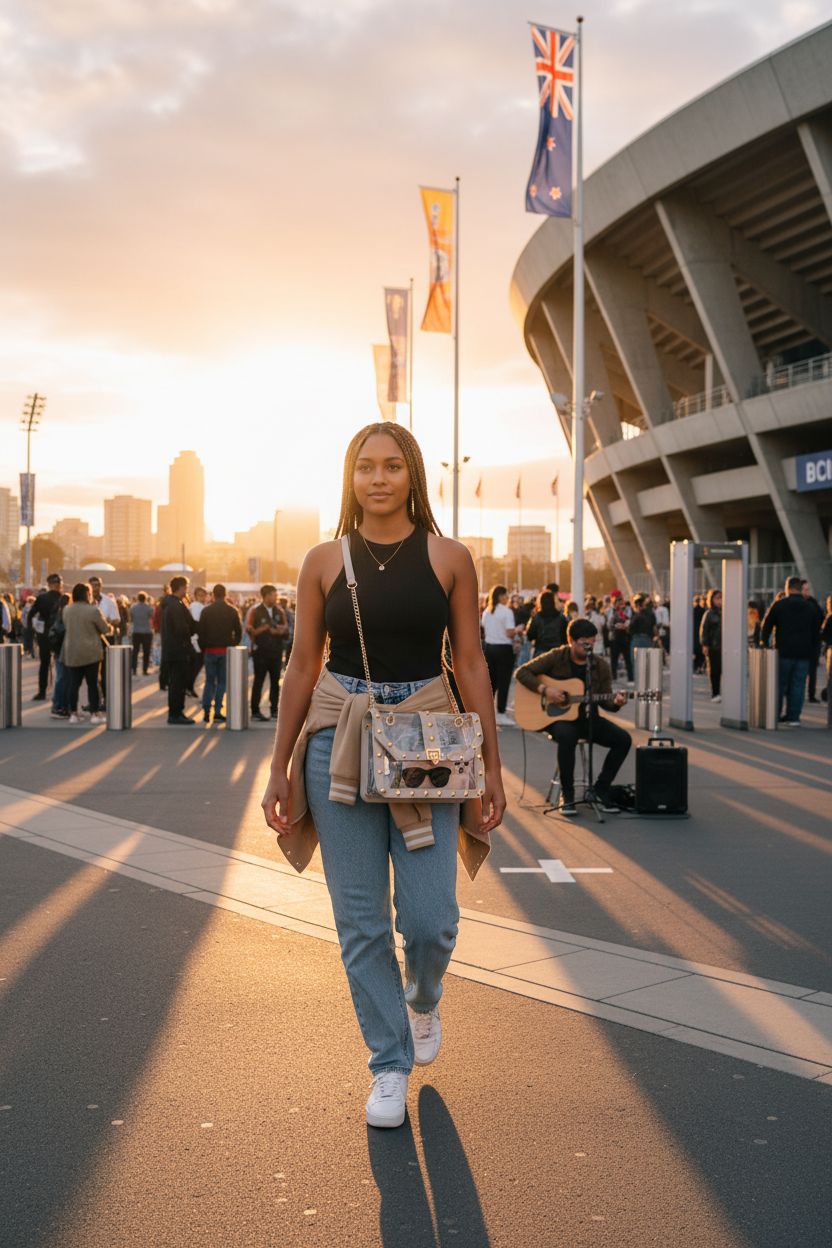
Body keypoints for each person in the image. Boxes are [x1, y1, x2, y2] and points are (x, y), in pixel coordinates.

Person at [260, 421, 505, 1131]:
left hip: (427, 736)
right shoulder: (322, 561)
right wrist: (278, 766)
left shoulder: (450, 557)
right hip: (337, 735)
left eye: (391, 466)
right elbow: (303, 664)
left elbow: (471, 661)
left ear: (412, 475)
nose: (377, 478)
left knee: (430, 922)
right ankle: (388, 1064)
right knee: (359, 922)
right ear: (349, 478)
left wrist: (491, 764)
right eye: (364, 467)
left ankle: (422, 997)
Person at [515, 617, 631, 816]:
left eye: (593, 642)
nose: (589, 647)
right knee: (568, 735)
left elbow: (605, 700)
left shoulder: (600, 666)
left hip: (588, 719)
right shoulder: (557, 657)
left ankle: (600, 789)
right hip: (557, 720)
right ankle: (567, 794)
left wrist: (616, 702)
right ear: (571, 640)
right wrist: (546, 690)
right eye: (584, 642)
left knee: (623, 739)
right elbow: (522, 672)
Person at [761, 576, 822, 725]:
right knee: (798, 685)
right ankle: (793, 717)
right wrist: (815, 651)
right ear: (800, 589)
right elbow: (817, 631)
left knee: (780, 685)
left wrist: (764, 643)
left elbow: (766, 625)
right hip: (804, 653)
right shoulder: (810, 607)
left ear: (787, 588)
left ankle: (774, 715)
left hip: (783, 652)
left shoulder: (780, 605)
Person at [61, 582, 111, 725]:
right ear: (87, 594)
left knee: (73, 684)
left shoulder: (66, 610)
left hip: (72, 651)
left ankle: (74, 714)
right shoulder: (93, 610)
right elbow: (105, 629)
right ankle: (95, 713)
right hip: (91, 652)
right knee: (93, 683)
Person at [197, 584, 242, 724]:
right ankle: (217, 711)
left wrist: (203, 647)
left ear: (213, 595)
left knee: (209, 681)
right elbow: (239, 631)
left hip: (210, 650)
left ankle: (205, 711)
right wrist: (233, 644)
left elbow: (201, 632)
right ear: (225, 594)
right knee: (222, 682)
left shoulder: (206, 611)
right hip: (225, 650)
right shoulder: (232, 611)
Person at [247, 585, 288, 721]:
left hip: (276, 652)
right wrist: (264, 629)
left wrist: (277, 631)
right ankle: (255, 711)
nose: (276, 597)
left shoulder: (279, 611)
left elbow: (285, 628)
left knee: (275, 682)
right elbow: (249, 629)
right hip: (260, 652)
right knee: (258, 681)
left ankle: (274, 710)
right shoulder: (255, 611)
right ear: (266, 596)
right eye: (273, 595)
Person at [160, 576, 197, 724]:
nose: (187, 590)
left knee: (176, 683)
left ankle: (176, 712)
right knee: (177, 683)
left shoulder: (171, 603)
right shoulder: (175, 605)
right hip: (178, 650)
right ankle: (176, 713)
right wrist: (191, 630)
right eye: (186, 587)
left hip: (173, 649)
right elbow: (181, 628)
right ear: (181, 587)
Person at [481, 584, 520, 726]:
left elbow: (484, 628)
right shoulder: (506, 612)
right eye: (506, 595)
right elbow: (509, 632)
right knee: (504, 682)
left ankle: (486, 712)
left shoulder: (487, 611)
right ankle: (501, 713)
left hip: (489, 648)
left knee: (491, 682)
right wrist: (518, 630)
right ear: (501, 596)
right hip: (504, 649)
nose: (508, 598)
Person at [29, 573, 64, 700]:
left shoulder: (42, 598)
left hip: (44, 635)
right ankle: (59, 693)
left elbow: (31, 615)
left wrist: (33, 630)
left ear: (48, 585)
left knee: (44, 663)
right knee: (61, 664)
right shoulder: (64, 598)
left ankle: (42, 691)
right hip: (60, 635)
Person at [800, 580, 824, 703]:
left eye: (808, 589)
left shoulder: (813, 602)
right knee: (800, 671)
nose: (807, 591)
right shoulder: (798, 603)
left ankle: (811, 695)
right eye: (805, 589)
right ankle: (798, 695)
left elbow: (821, 618)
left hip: (814, 643)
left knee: (812, 672)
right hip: (801, 643)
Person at [526, 590, 566, 657]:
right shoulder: (561, 617)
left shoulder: (537, 617)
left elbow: (530, 635)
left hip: (540, 652)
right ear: (553, 602)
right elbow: (565, 637)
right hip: (557, 652)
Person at [699, 589, 723, 702]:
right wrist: (705, 644)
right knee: (715, 671)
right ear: (712, 600)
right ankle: (715, 693)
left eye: (721, 597)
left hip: (725, 646)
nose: (720, 600)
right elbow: (704, 630)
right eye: (717, 598)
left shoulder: (726, 612)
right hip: (714, 646)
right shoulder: (709, 614)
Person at [129, 592, 154, 676]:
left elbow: (131, 619)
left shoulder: (133, 608)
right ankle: (144, 670)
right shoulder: (149, 608)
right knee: (146, 652)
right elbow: (151, 616)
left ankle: (134, 669)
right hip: (146, 631)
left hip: (136, 631)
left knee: (135, 652)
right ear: (145, 598)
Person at [820, 594, 832, 703]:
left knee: (830, 675)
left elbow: (823, 634)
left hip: (830, 651)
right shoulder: (829, 618)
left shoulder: (829, 618)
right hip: (830, 650)